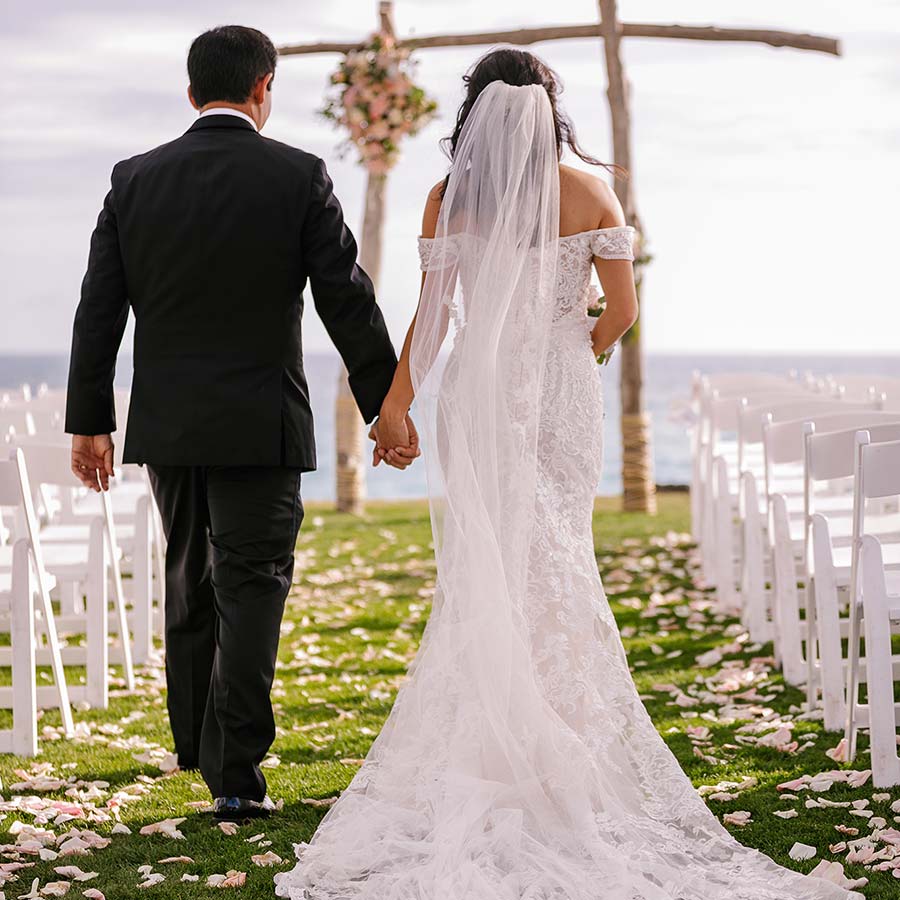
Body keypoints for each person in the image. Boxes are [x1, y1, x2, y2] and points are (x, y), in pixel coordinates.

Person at [275, 48, 861, 900]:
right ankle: (557, 735)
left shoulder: (450, 199)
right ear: (552, 109)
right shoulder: (590, 189)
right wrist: (571, 351)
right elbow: (620, 309)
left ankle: (505, 730)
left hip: (478, 392)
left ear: (474, 111)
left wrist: (394, 408)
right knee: (556, 553)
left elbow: (432, 318)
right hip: (559, 393)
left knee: (497, 559)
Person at [65, 25, 417, 822]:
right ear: (265, 88)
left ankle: (204, 747)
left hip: (170, 426)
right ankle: (234, 770)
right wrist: (385, 407)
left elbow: (99, 309)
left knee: (191, 580)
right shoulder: (298, 176)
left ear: (192, 94)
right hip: (262, 424)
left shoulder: (134, 179)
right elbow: (347, 301)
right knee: (251, 589)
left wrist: (90, 420)